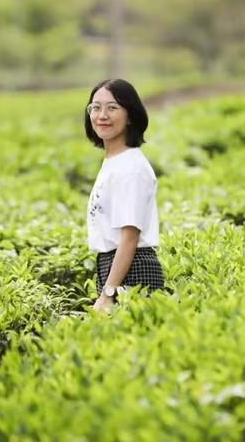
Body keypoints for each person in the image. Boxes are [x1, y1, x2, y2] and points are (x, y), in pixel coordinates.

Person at [84, 78, 165, 313]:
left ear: (130, 116)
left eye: (112, 108)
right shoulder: (114, 162)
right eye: (95, 107)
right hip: (115, 268)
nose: (102, 115)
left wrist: (108, 293)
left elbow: (129, 237)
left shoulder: (131, 167)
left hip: (132, 271)